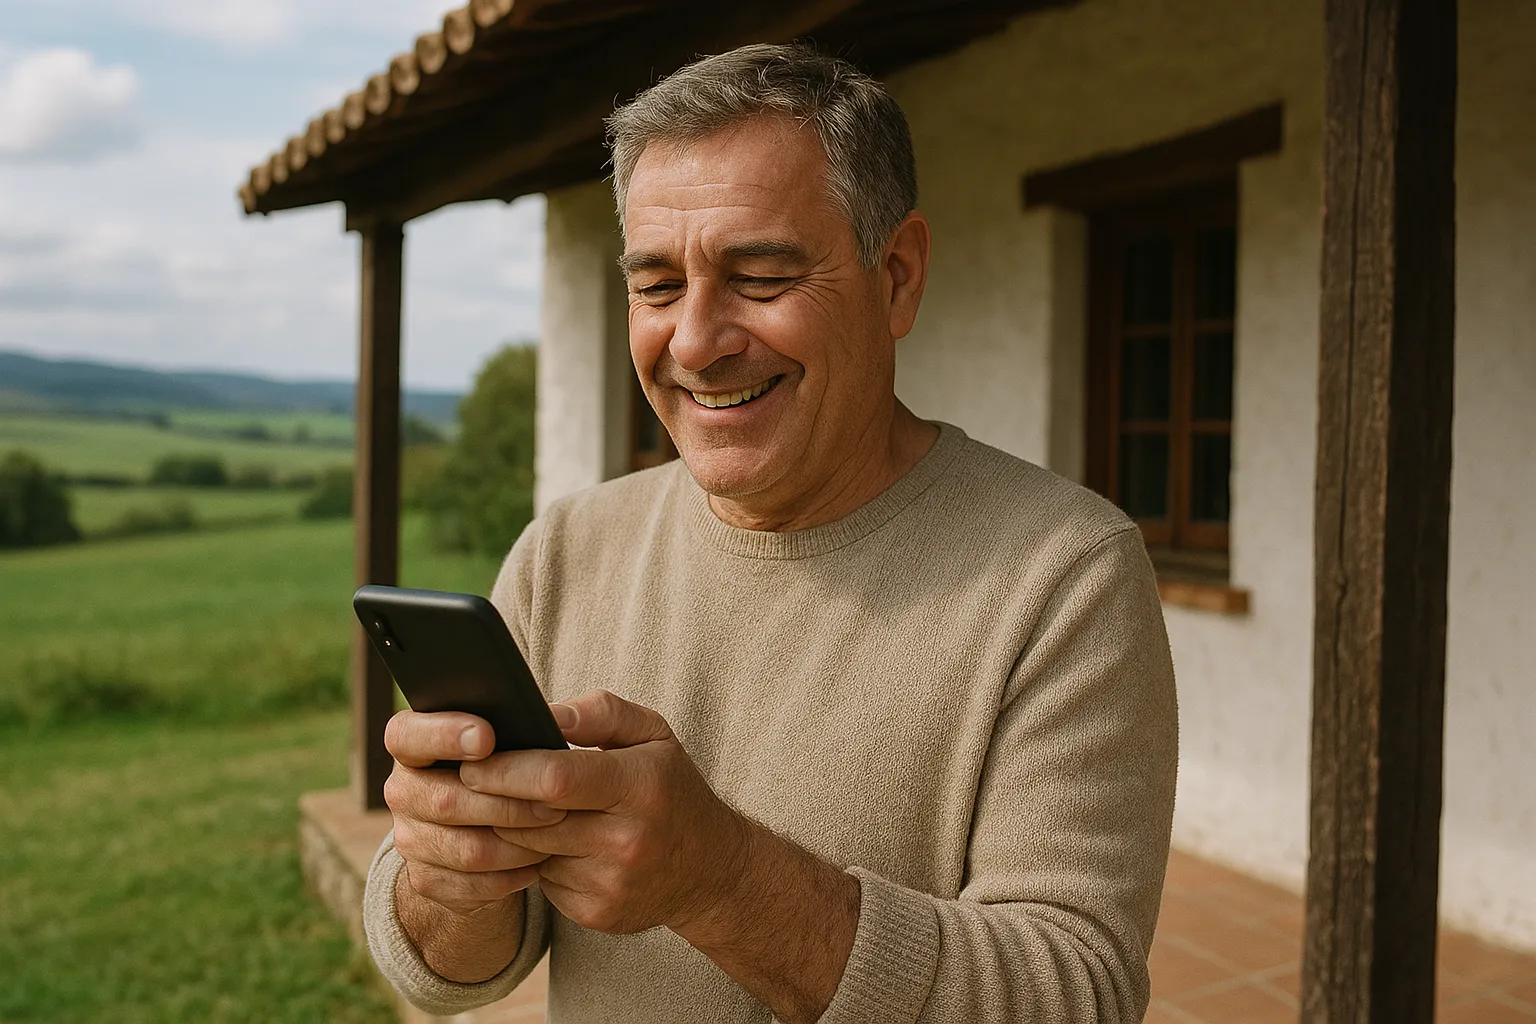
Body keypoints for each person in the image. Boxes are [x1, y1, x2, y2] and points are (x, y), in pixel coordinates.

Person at [363, 43, 1178, 1024]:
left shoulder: (1063, 576)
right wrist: (446, 872)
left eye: (760, 274)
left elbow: (1075, 997)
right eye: (657, 286)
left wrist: (719, 881)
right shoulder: (569, 546)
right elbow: (450, 970)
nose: (697, 341)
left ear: (899, 277)